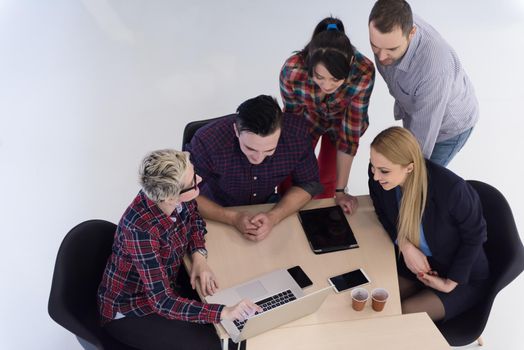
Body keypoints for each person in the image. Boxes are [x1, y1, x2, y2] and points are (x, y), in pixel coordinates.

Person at [97, 149, 261, 350]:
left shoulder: (176, 197)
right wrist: (224, 312)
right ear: (171, 198)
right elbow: (162, 301)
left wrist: (199, 256)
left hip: (167, 284)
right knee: (217, 342)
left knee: (233, 321)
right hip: (132, 309)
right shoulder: (140, 231)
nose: (199, 179)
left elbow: (195, 221)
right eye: (193, 180)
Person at [368, 126, 489, 322]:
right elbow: (382, 212)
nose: (375, 176)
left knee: (405, 313)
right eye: (373, 166)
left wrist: (449, 283)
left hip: (461, 277)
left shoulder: (452, 190)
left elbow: (475, 237)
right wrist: (405, 245)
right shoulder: (380, 178)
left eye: (384, 171)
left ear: (410, 167)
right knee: (377, 299)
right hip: (418, 267)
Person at [184, 95, 322, 242]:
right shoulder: (208, 140)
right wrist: (232, 218)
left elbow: (308, 183)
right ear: (236, 131)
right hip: (215, 211)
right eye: (250, 148)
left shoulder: (297, 133)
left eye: (269, 150)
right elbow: (184, 193)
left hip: (267, 207)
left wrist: (274, 217)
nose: (258, 159)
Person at [280, 16, 375, 214]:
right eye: (319, 77)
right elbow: (292, 125)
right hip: (305, 120)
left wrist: (341, 191)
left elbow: (350, 135)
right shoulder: (292, 71)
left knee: (328, 178)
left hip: (342, 124)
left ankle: (319, 216)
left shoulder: (363, 72)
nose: (327, 85)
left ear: (349, 64)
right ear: (310, 65)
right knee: (288, 176)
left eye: (335, 79)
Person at [368, 0, 479, 166]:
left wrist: (410, 171)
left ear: (411, 33)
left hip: (447, 128)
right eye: (375, 46)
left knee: (421, 180)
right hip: (417, 112)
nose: (381, 57)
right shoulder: (387, 23)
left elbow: (420, 143)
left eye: (392, 49)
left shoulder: (434, 70)